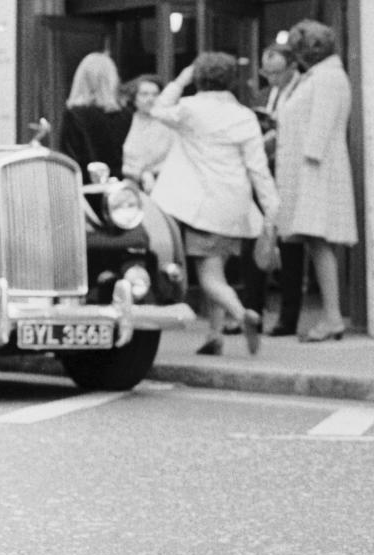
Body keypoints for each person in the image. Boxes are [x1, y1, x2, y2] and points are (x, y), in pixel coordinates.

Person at [151, 52, 278, 356]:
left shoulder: (190, 109)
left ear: (199, 78)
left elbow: (158, 108)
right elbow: (258, 168)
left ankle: (242, 313)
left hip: (202, 205)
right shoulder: (244, 115)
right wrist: (271, 209)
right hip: (235, 205)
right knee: (217, 267)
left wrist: (181, 79)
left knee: (209, 278)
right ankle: (214, 335)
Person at [275, 21, 357, 342]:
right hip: (313, 169)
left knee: (319, 242)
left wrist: (306, 171)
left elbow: (319, 128)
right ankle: (331, 316)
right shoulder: (322, 76)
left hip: (316, 171)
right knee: (316, 243)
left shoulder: (327, 77)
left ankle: (333, 317)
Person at [240, 44, 306, 337]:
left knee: (291, 250)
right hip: (264, 174)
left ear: (292, 67)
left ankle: (287, 318)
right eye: (268, 73)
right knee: (256, 242)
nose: (273, 79)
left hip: (291, 175)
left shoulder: (304, 90)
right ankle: (252, 312)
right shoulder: (263, 95)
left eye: (278, 72)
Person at [58, 52, 131, 177]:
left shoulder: (74, 115)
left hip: (86, 185)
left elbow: (69, 159)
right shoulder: (126, 114)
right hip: (120, 185)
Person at [121, 73, 173, 191]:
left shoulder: (169, 123)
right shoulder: (126, 121)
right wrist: (142, 174)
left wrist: (150, 173)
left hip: (164, 184)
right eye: (144, 94)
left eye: (155, 94)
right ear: (134, 98)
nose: (150, 99)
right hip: (131, 188)